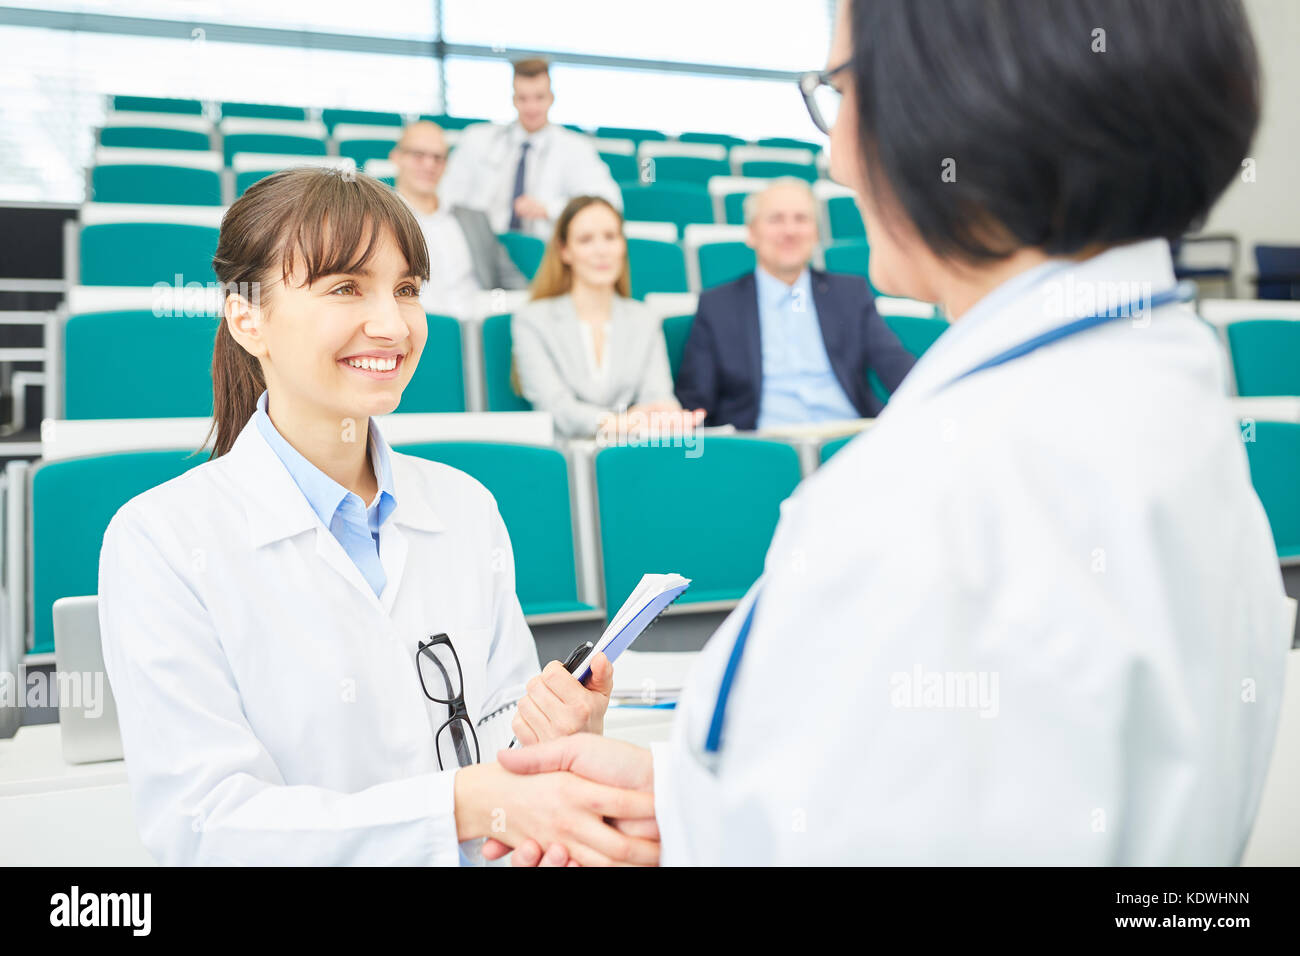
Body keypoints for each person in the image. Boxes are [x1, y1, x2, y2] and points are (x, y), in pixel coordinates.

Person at [485, 0, 1291, 866]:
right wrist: (681, 807)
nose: (834, 156)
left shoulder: (925, 499)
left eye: (842, 90)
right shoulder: (1173, 401)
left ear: (962, 103)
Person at [97, 167, 657, 866]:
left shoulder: (466, 508)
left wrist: (564, 735)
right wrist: (465, 804)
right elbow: (209, 828)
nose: (392, 324)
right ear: (247, 316)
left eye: (406, 290)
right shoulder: (162, 541)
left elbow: (503, 758)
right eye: (344, 288)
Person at [676, 178, 916, 429]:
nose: (790, 231)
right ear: (751, 233)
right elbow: (695, 403)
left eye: (801, 219)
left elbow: (896, 367)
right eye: (776, 219)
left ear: (815, 233)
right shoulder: (718, 306)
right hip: (767, 448)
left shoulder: (850, 294)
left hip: (849, 438)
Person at [512, 195, 704, 439]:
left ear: (623, 246)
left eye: (610, 237)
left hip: (631, 455)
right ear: (564, 251)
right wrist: (622, 423)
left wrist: (666, 413)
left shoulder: (644, 318)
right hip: (564, 460)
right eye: (585, 240)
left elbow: (657, 395)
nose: (601, 251)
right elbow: (557, 408)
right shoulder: (532, 320)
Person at [437, 58, 622, 239]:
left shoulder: (576, 148)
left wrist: (549, 209)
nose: (531, 107)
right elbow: (448, 195)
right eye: (523, 98)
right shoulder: (477, 139)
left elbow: (607, 200)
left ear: (551, 98)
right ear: (513, 99)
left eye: (539, 97)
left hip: (545, 250)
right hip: (484, 245)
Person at [389, 121, 527, 318]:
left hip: (479, 333)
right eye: (418, 155)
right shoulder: (378, 222)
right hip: (416, 336)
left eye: (438, 158)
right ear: (397, 158)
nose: (430, 165)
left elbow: (514, 283)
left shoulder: (474, 220)